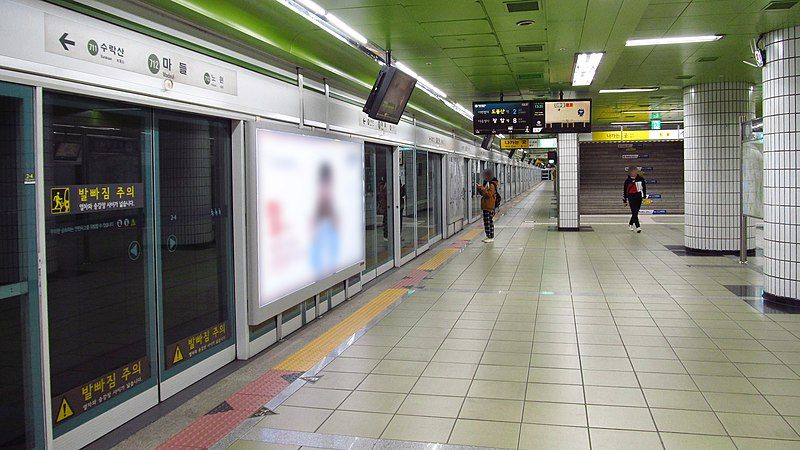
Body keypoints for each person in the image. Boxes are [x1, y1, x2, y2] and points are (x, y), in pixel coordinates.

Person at [476, 168, 498, 243]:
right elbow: (484, 193)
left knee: (488, 222)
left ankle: (490, 236)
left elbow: (488, 194)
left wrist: (481, 188)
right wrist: (480, 189)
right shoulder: (488, 183)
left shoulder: (492, 184)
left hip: (489, 206)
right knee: (488, 222)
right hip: (487, 205)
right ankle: (489, 236)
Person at [623, 167, 647, 233]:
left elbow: (644, 188)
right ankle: (638, 227)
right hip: (631, 197)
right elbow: (625, 191)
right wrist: (625, 200)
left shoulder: (641, 179)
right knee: (634, 212)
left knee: (635, 212)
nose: (633, 173)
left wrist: (644, 196)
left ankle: (630, 224)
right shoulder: (627, 181)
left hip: (639, 197)